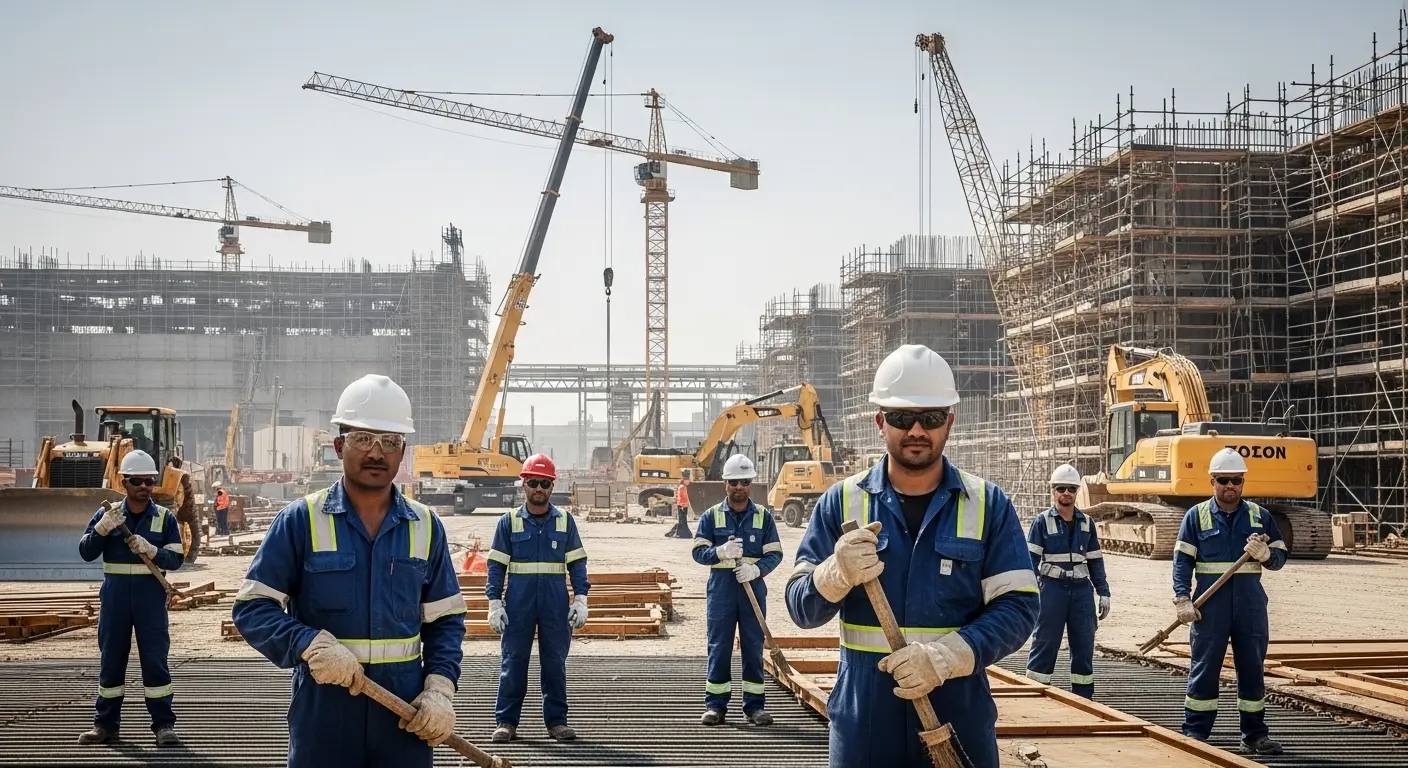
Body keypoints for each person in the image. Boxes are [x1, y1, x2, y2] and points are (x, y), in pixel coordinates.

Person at [786, 344, 1039, 768]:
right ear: (880, 421)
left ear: (950, 422)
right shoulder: (840, 503)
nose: (917, 430)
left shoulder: (987, 504)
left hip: (956, 714)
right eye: (903, 418)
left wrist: (944, 657)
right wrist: (834, 573)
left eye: (932, 418)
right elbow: (800, 608)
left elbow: (1020, 607)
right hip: (865, 720)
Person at [231, 374, 466, 768]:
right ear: (339, 446)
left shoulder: (426, 526)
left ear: (402, 451)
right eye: (363, 439)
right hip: (325, 713)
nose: (377, 452)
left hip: (403, 717)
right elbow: (252, 607)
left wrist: (440, 688)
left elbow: (445, 620)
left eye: (390, 441)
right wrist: (307, 643)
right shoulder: (299, 521)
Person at [1172, 447, 1286, 755]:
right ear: (1212, 481)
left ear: (1243, 481)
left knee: (1252, 668)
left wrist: (1268, 556)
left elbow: (1279, 557)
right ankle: (1196, 731)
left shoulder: (1259, 516)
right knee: (1205, 667)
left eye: (1236, 480)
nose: (1230, 486)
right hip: (1210, 608)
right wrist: (1182, 598)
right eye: (1223, 480)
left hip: (1250, 607)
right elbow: (1182, 561)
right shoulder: (1195, 517)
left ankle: (1254, 735)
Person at [77, 449, 186, 746]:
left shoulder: (165, 519)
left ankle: (163, 725)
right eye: (137, 480)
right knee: (111, 661)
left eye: (149, 481)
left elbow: (176, 560)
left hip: (149, 598)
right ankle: (105, 725)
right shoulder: (108, 514)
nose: (144, 486)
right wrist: (101, 529)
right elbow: (86, 552)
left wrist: (153, 550)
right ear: (124, 481)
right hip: (115, 598)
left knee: (155, 662)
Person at [486, 453, 590, 743]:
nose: (539, 488)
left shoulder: (565, 522)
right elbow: (495, 566)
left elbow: (577, 564)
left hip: (555, 605)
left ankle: (557, 723)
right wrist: (494, 603)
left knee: (554, 663)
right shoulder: (508, 523)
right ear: (524, 485)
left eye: (545, 483)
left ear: (552, 486)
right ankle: (506, 723)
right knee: (513, 662)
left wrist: (581, 599)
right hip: (518, 605)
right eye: (533, 482)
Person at [691, 454, 783, 726]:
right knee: (719, 646)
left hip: (752, 590)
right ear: (725, 484)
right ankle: (716, 706)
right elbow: (698, 552)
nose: (739, 487)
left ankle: (754, 707)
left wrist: (757, 570)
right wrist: (719, 552)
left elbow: (775, 554)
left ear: (751, 483)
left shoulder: (764, 518)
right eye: (734, 482)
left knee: (753, 646)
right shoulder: (711, 516)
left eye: (744, 481)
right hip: (721, 592)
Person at [1023, 463, 1110, 699]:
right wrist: (1032, 594)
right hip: (1052, 591)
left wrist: (1104, 592)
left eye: (1071, 489)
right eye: (1061, 488)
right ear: (1053, 491)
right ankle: (1034, 697)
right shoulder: (1042, 522)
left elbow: (1095, 561)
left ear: (1076, 491)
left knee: (1083, 647)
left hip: (1082, 593)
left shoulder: (1086, 523)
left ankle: (1084, 700)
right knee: (1045, 644)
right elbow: (1030, 562)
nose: (1066, 493)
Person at [665, 470, 693, 538]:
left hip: (683, 506)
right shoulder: (682, 487)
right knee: (682, 521)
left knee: (683, 521)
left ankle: (681, 533)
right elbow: (681, 498)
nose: (689, 481)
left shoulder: (683, 487)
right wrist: (683, 506)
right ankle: (680, 533)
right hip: (682, 506)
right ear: (685, 480)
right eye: (688, 480)